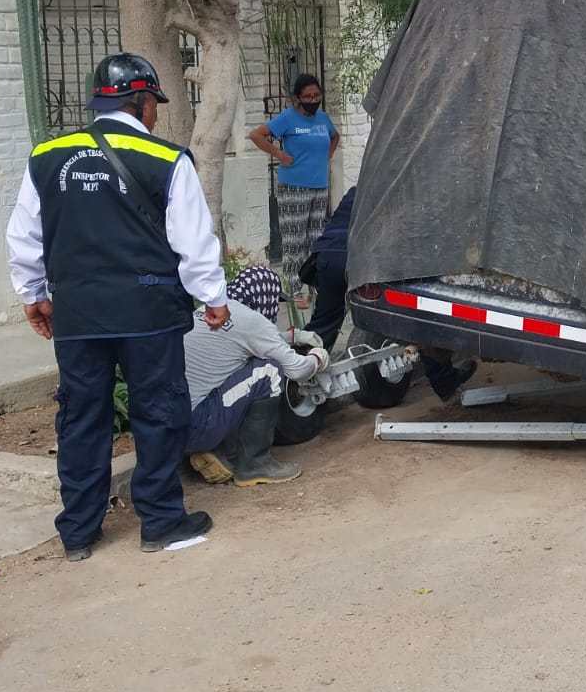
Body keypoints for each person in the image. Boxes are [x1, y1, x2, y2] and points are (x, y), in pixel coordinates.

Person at [5, 53, 229, 560]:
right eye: (154, 106)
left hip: (78, 314)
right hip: (148, 313)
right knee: (159, 411)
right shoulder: (169, 160)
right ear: (143, 101)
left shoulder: (47, 156)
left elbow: (24, 236)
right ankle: (161, 523)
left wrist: (33, 295)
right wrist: (213, 298)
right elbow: (193, 242)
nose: (155, 115)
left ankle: (79, 533)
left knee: (82, 416)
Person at [298, 185, 477, 401]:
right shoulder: (403, 190)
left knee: (321, 328)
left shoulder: (358, 188)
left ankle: (295, 380)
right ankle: (444, 381)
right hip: (362, 260)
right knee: (418, 314)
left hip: (328, 256)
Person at [184, 265, 330, 486]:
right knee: (269, 370)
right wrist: (318, 358)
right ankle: (254, 464)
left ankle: (214, 449)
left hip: (169, 428)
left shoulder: (212, 309)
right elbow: (297, 370)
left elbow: (245, 339)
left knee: (236, 370)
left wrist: (293, 336)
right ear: (264, 295)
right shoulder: (252, 322)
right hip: (199, 425)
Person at [249, 73, 339, 299]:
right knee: (294, 240)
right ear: (298, 98)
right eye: (308, 96)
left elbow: (335, 137)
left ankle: (315, 285)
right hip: (293, 188)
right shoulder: (287, 119)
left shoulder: (323, 119)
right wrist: (279, 154)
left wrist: (325, 157)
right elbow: (256, 135)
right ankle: (293, 289)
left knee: (316, 239)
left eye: (316, 95)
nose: (313, 99)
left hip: (320, 187)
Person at [302, 185, 355, 349]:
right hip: (354, 256)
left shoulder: (355, 190)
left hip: (328, 254)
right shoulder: (392, 193)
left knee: (323, 324)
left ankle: (302, 363)